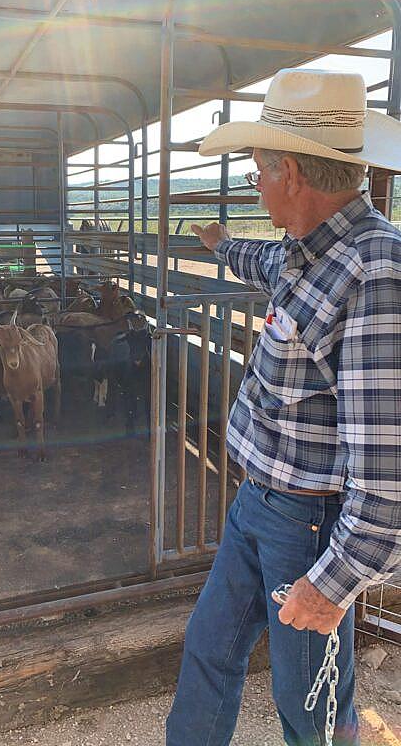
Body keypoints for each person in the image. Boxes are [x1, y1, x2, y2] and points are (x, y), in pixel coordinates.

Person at [166, 69, 401, 746]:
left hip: (308, 524)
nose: (256, 187)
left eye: (256, 173)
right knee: (209, 650)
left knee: (311, 703)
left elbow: (388, 474)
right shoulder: (304, 250)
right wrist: (218, 244)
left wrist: (331, 585)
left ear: (289, 172)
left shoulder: (374, 273)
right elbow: (259, 259)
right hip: (257, 503)